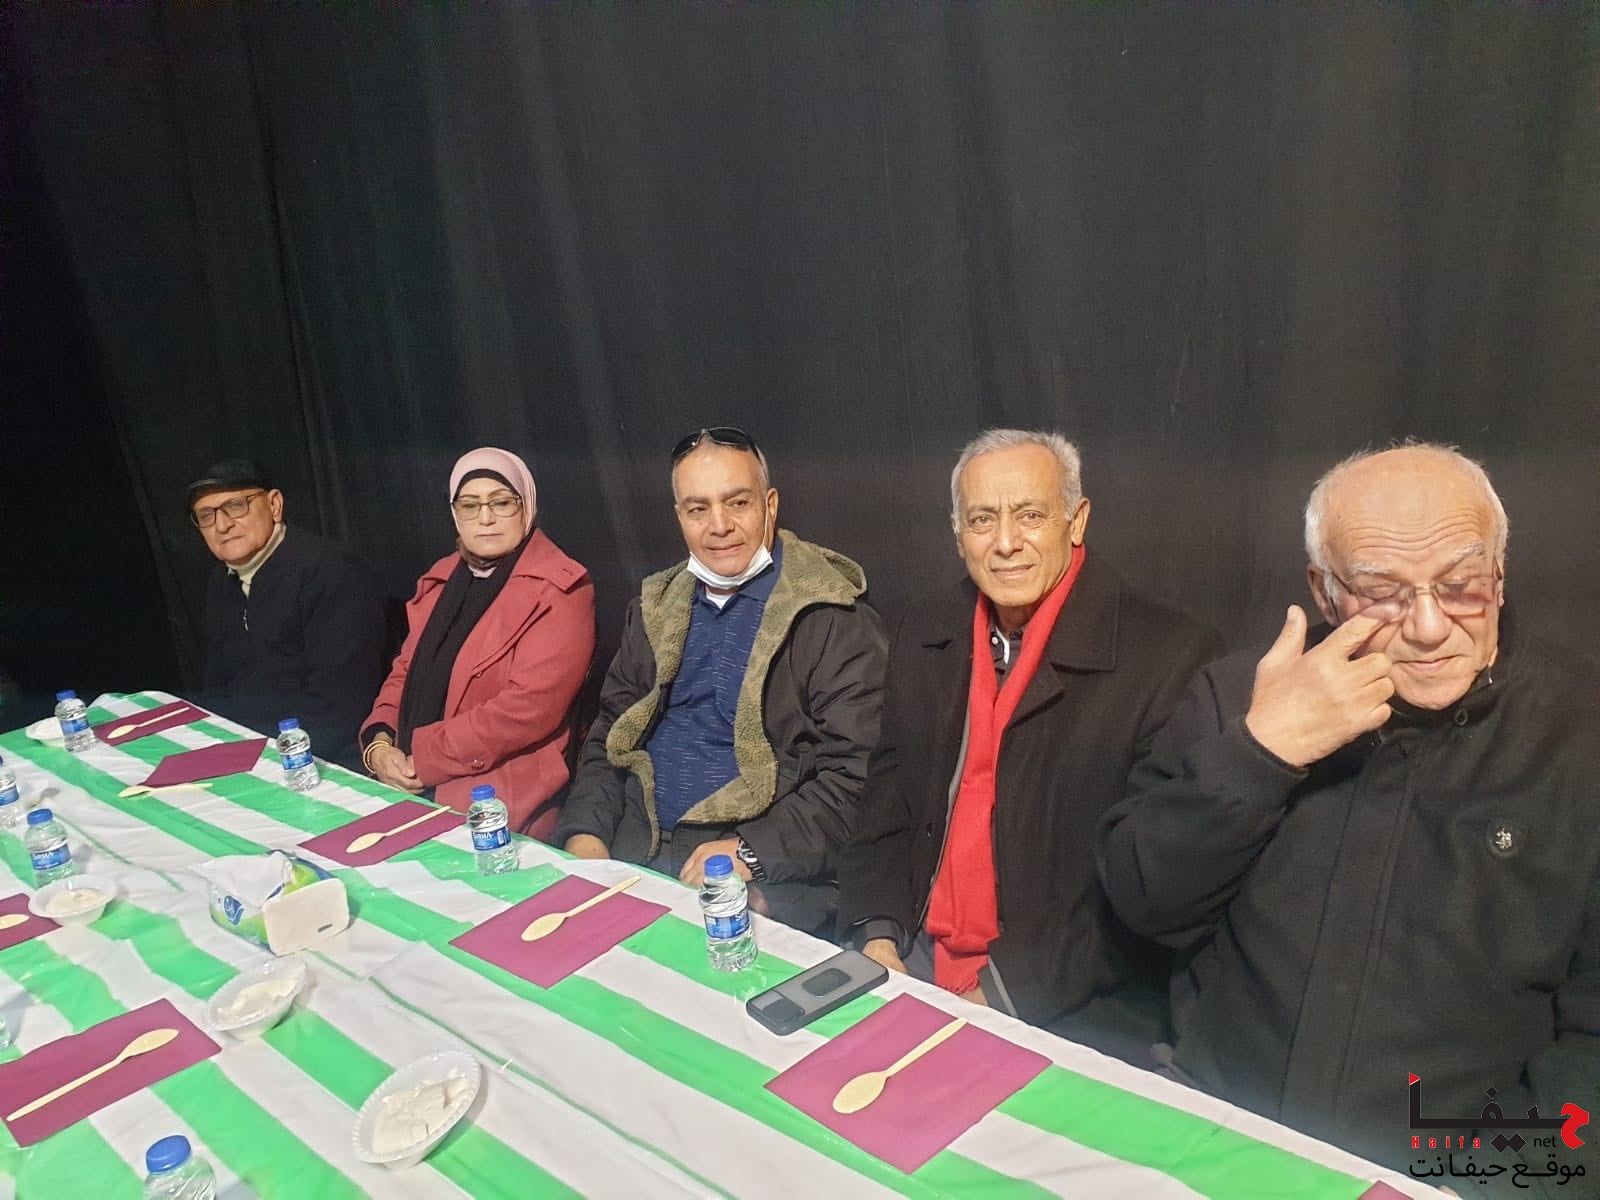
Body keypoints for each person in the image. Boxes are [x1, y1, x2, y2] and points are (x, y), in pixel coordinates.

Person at [1100, 443, 1600, 1191]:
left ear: (1499, 572)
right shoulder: (1234, 695)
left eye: (1461, 584)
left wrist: (1494, 1183)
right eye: (1383, 593)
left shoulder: (1582, 731)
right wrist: (1262, 752)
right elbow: (1143, 904)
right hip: (1215, 1135)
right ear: (1325, 591)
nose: (1428, 626)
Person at [836, 429, 1221, 1062]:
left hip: (1057, 996)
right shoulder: (924, 629)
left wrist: (993, 995)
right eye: (982, 519)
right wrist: (875, 934)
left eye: (1030, 515)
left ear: (1077, 520)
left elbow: (1146, 890)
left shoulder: (1170, 659)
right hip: (909, 951)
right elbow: (885, 803)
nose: (1006, 542)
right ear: (958, 534)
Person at [554, 427, 886, 934]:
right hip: (630, 855)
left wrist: (751, 853)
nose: (719, 526)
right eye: (698, 509)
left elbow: (859, 777)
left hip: (761, 880)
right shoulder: (655, 609)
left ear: (770, 506)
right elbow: (608, 738)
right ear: (679, 518)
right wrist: (585, 835)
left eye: (737, 503)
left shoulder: (834, 620)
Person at [359, 448, 594, 839]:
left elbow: (527, 710)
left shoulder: (562, 589)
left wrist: (424, 760)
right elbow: (405, 671)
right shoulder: (441, 579)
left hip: (498, 799)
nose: (485, 518)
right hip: (407, 777)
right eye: (470, 505)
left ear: (526, 506)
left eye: (501, 503)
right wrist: (380, 744)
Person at [189, 458, 384, 764]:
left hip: (318, 757)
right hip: (246, 747)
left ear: (274, 505)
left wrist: (263, 759)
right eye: (206, 515)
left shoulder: (334, 573)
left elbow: (338, 709)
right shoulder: (221, 580)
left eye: (236, 506)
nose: (222, 525)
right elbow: (216, 686)